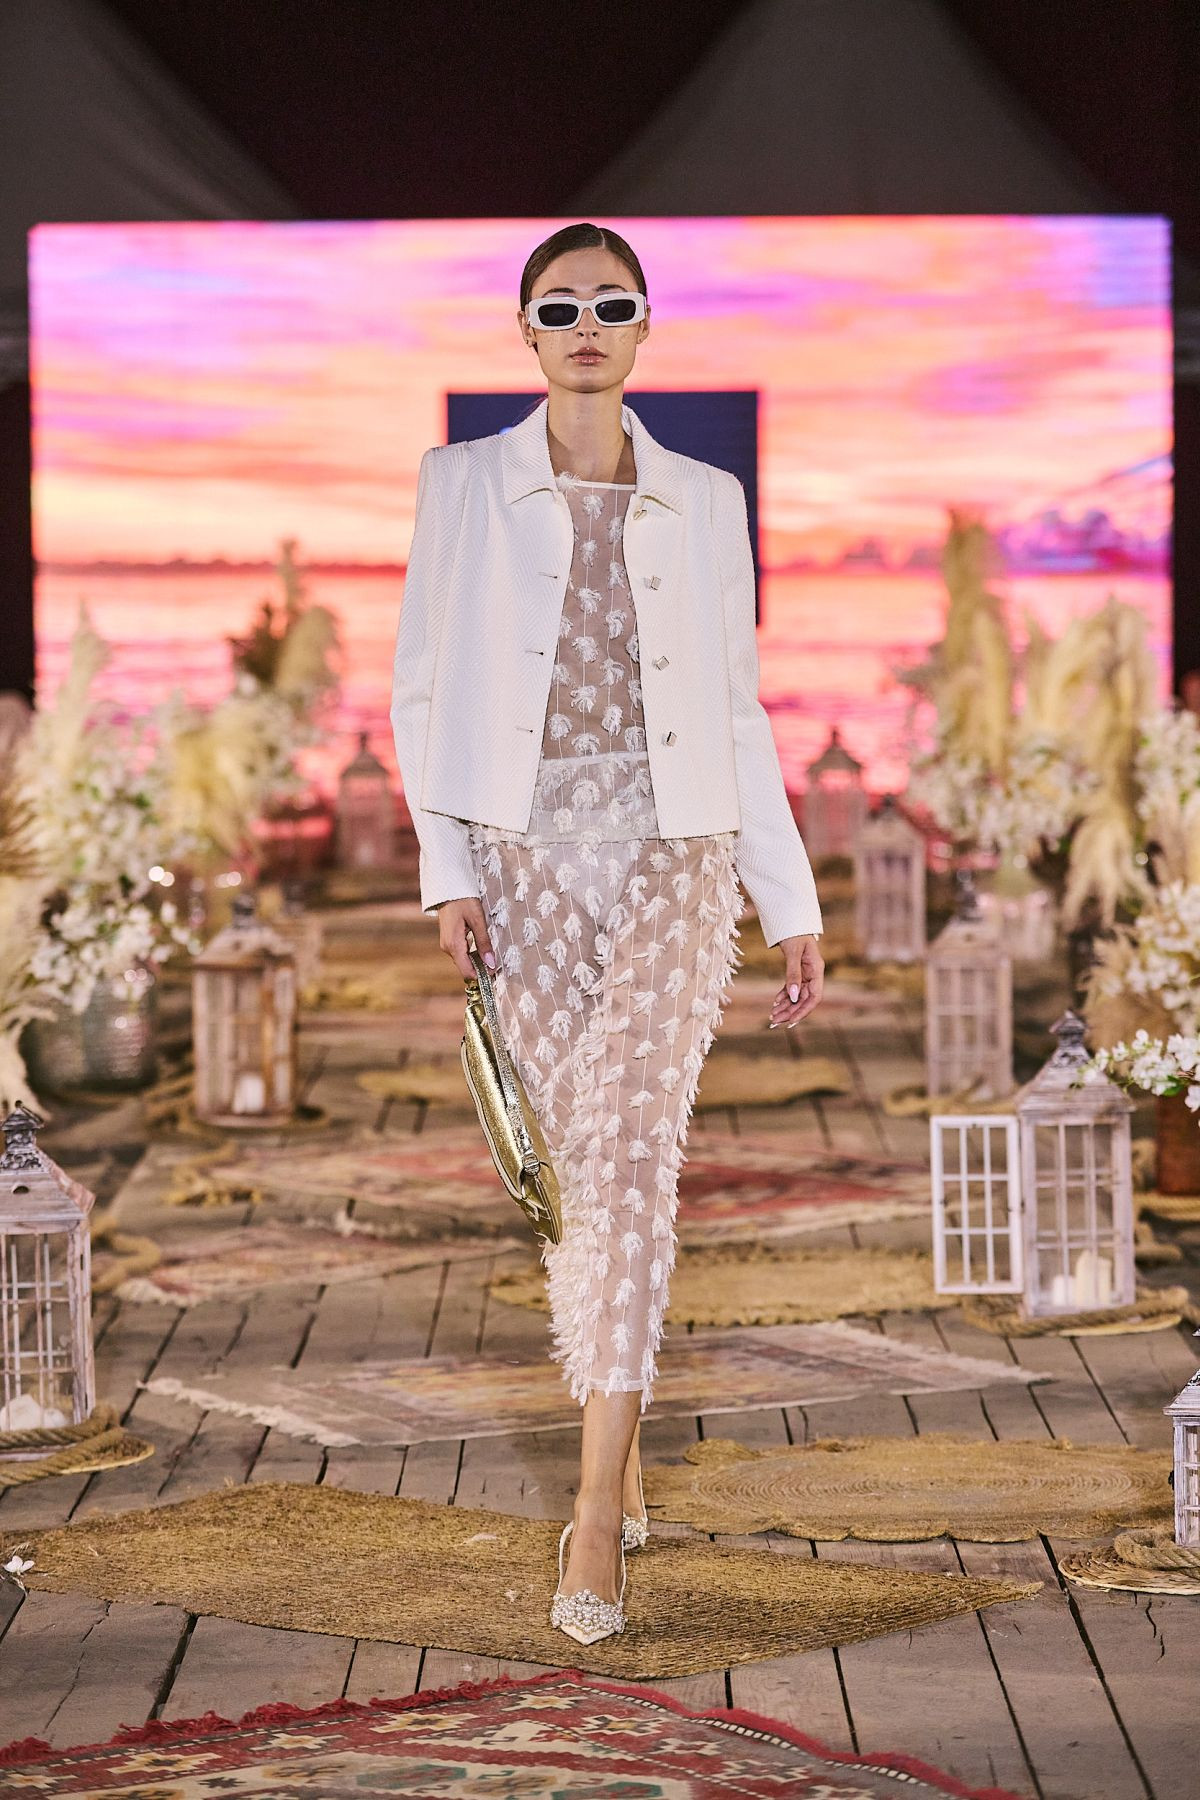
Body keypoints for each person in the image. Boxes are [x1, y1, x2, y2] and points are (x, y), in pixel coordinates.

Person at [391, 221, 824, 1645]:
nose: (587, 325)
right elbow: (420, 688)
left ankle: (592, 1509)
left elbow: (740, 703)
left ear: (645, 329)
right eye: (561, 306)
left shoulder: (706, 498)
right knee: (579, 1174)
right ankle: (615, 1437)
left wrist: (790, 897)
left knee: (634, 1158)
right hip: (518, 860)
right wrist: (446, 871)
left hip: (674, 855)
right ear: (524, 330)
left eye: (612, 304)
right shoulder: (461, 483)